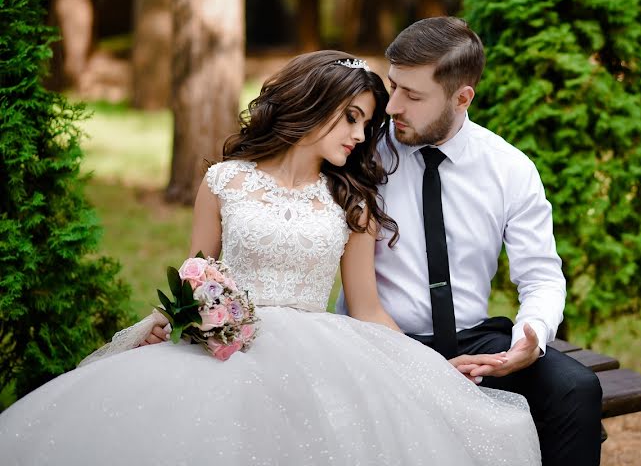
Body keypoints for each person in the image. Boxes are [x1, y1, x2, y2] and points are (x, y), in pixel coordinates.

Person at [0, 51, 541, 466]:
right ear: (313, 105)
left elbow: (368, 308)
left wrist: (428, 374)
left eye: (366, 124)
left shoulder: (351, 202)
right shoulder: (224, 181)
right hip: (223, 347)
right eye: (350, 118)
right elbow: (198, 274)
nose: (359, 136)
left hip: (318, 350)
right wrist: (173, 321)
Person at [337, 17, 605, 466]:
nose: (392, 106)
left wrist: (531, 337)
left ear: (463, 98)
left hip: (473, 343)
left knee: (576, 389)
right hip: (378, 343)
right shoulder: (359, 155)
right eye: (393, 86)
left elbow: (540, 275)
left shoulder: (509, 169)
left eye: (414, 95)